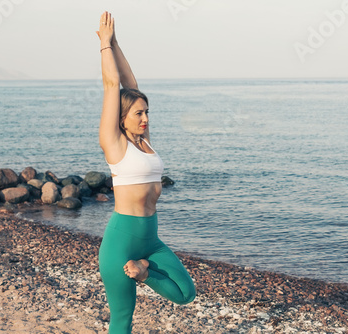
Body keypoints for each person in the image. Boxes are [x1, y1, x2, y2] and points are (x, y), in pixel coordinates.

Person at [96, 11, 196, 334]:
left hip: (150, 243)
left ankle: (143, 272)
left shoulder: (144, 142)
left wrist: (117, 42)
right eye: (139, 113)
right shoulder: (114, 144)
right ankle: (138, 270)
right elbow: (114, 84)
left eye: (147, 112)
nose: (145, 118)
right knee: (122, 320)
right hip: (119, 244)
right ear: (122, 118)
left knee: (186, 293)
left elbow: (131, 84)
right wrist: (104, 47)